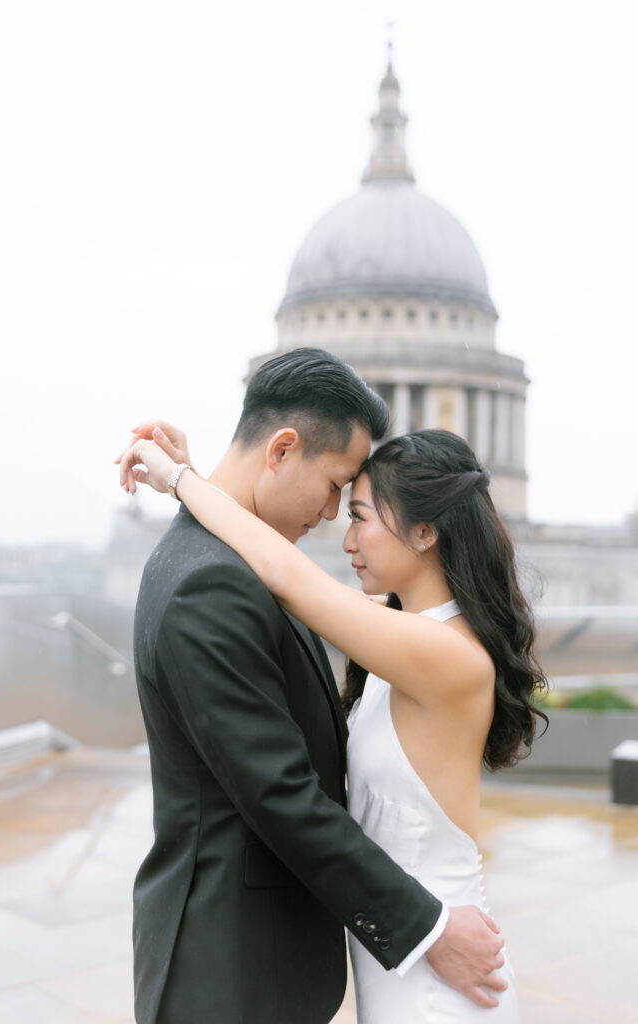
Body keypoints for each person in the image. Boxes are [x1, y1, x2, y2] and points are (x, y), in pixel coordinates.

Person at [119, 348, 509, 1024]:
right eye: (337, 491)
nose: (335, 521)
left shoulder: (430, 649)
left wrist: (186, 479)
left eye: (358, 510)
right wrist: (188, 480)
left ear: (425, 530)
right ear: (282, 449)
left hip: (422, 961)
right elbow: (282, 795)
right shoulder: (213, 582)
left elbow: (290, 580)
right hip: (237, 968)